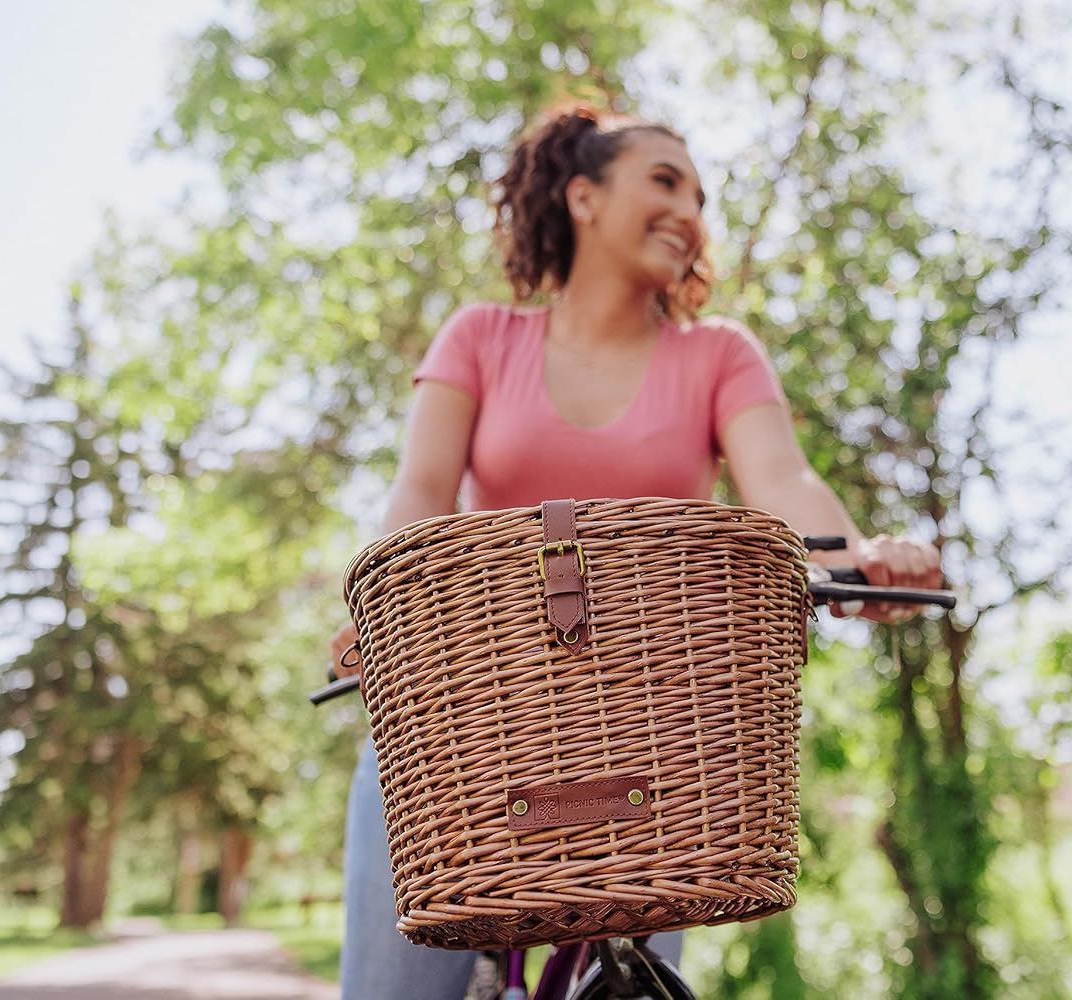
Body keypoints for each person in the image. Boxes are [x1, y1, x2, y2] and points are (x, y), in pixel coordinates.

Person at [330, 102, 943, 999]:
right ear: (582, 195)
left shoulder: (717, 355)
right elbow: (420, 495)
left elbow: (788, 490)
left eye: (698, 194)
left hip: (653, 736)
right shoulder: (482, 339)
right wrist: (373, 619)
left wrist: (859, 563)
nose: (690, 211)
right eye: (664, 181)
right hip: (466, 719)